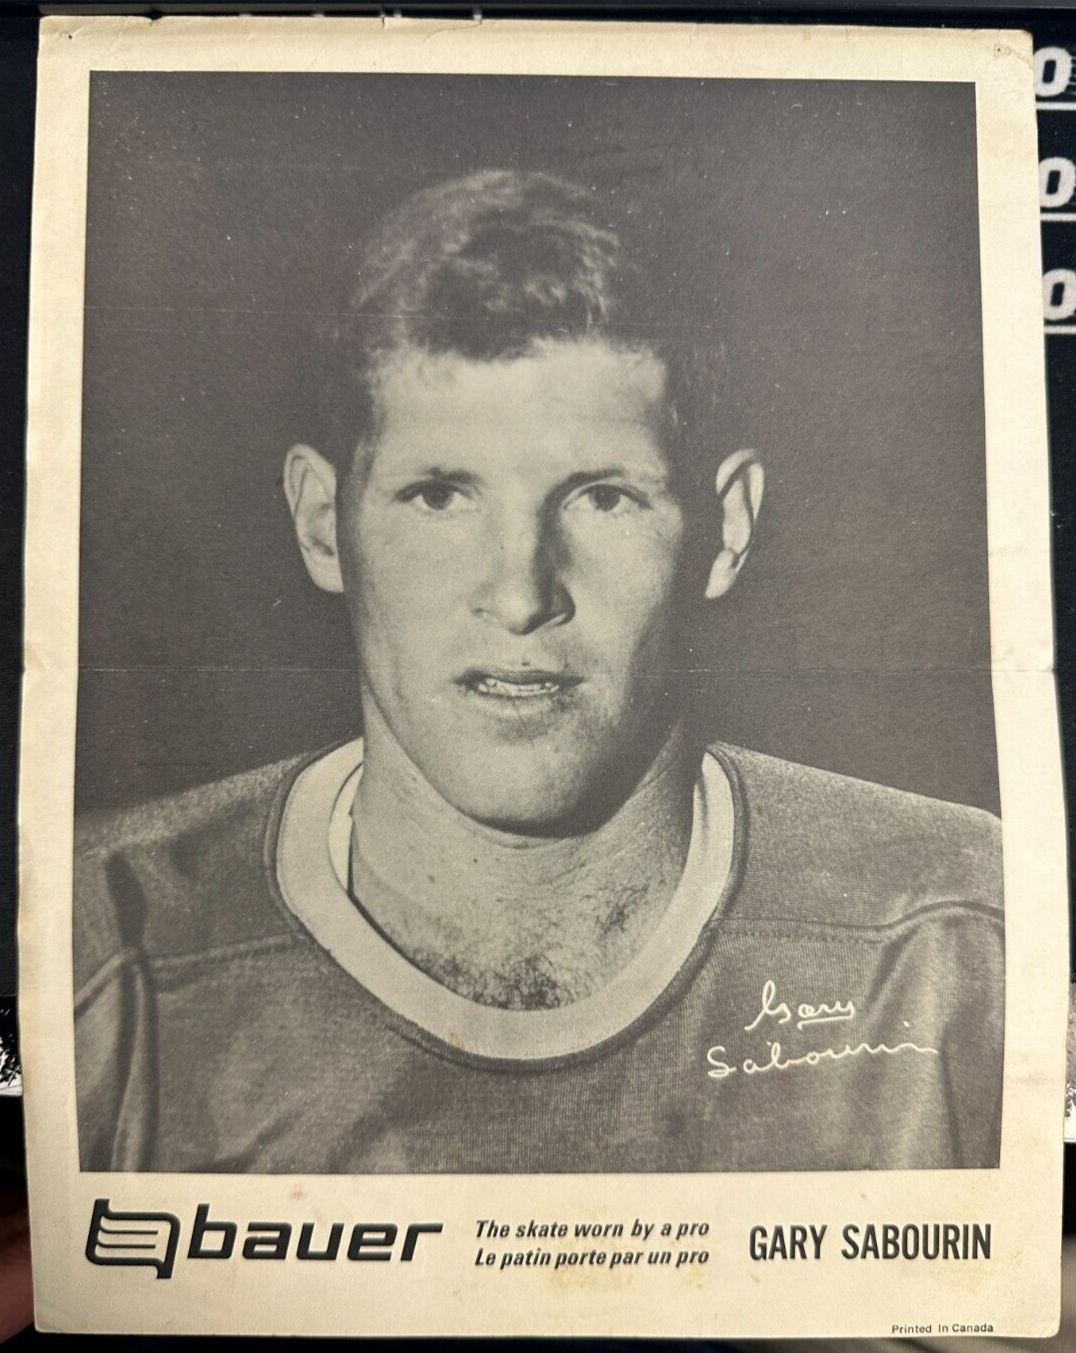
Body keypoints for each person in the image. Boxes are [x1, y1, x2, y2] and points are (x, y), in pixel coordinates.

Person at [74, 169, 1003, 1174]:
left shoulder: (956, 940)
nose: (520, 594)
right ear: (320, 523)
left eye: (601, 499)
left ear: (724, 531)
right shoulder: (103, 949)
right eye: (438, 497)